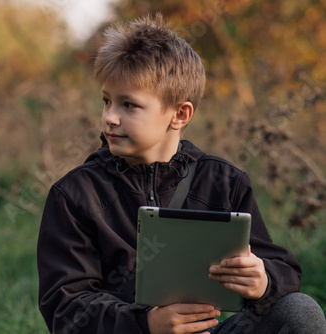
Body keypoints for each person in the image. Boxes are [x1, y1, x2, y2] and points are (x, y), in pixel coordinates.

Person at [37, 13, 326, 334]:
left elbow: (284, 270)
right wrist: (146, 323)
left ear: (180, 113)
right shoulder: (75, 194)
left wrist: (263, 279)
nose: (110, 118)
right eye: (107, 101)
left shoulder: (224, 182)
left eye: (128, 105)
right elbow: (65, 308)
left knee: (300, 312)